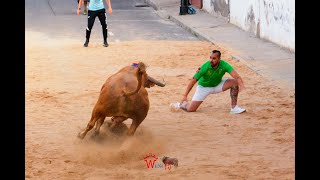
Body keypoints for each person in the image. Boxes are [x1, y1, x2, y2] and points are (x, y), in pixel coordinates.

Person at [170, 50, 246, 114]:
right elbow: (193, 81)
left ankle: (234, 108)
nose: (211, 60)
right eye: (210, 58)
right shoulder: (205, 67)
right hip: (204, 87)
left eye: (214, 58)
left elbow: (236, 76)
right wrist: (185, 95)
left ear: (219, 59)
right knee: (191, 109)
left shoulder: (224, 65)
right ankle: (181, 105)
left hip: (217, 85)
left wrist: (241, 85)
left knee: (235, 82)